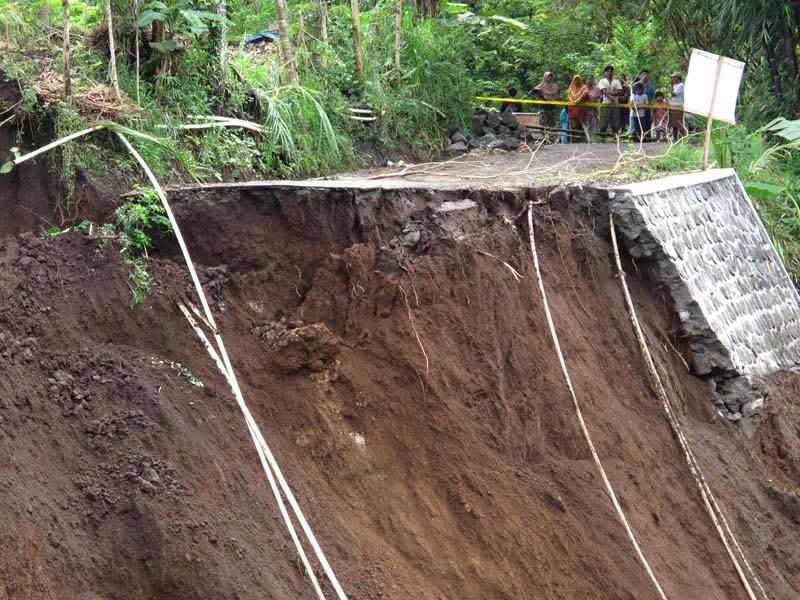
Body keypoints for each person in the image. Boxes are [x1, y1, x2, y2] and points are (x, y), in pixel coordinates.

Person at [597, 65, 622, 136]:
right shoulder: (602, 81)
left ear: (613, 73)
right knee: (603, 123)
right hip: (605, 104)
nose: (609, 73)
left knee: (615, 123)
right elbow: (603, 91)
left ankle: (615, 139)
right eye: (607, 71)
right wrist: (611, 97)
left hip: (615, 105)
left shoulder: (616, 81)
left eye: (611, 71)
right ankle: (602, 139)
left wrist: (610, 92)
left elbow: (619, 91)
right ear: (605, 73)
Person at [566, 74, 588, 141]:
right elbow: (567, 98)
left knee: (580, 126)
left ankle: (581, 140)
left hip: (580, 111)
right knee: (572, 126)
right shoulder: (570, 88)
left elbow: (586, 97)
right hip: (571, 111)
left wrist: (580, 100)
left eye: (578, 80)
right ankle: (572, 140)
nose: (577, 81)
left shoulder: (583, 88)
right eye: (575, 80)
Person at [637, 69, 655, 139]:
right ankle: (638, 137)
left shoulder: (651, 85)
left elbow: (652, 96)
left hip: (647, 106)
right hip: (638, 107)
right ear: (640, 75)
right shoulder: (637, 84)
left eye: (646, 74)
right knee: (639, 122)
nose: (645, 76)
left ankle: (647, 136)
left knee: (647, 121)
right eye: (643, 74)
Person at [669, 71, 687, 139]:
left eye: (673, 77)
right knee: (674, 124)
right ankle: (675, 139)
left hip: (678, 107)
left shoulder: (681, 86)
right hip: (673, 106)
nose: (672, 78)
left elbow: (673, 94)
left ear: (677, 78)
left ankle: (683, 138)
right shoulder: (675, 85)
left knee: (679, 123)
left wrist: (671, 85)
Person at [617, 73, 631, 137]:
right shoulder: (615, 88)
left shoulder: (627, 88)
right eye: (620, 78)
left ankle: (624, 137)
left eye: (622, 78)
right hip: (616, 108)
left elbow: (625, 98)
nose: (621, 80)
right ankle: (616, 137)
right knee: (616, 123)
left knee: (625, 123)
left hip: (625, 108)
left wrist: (616, 98)